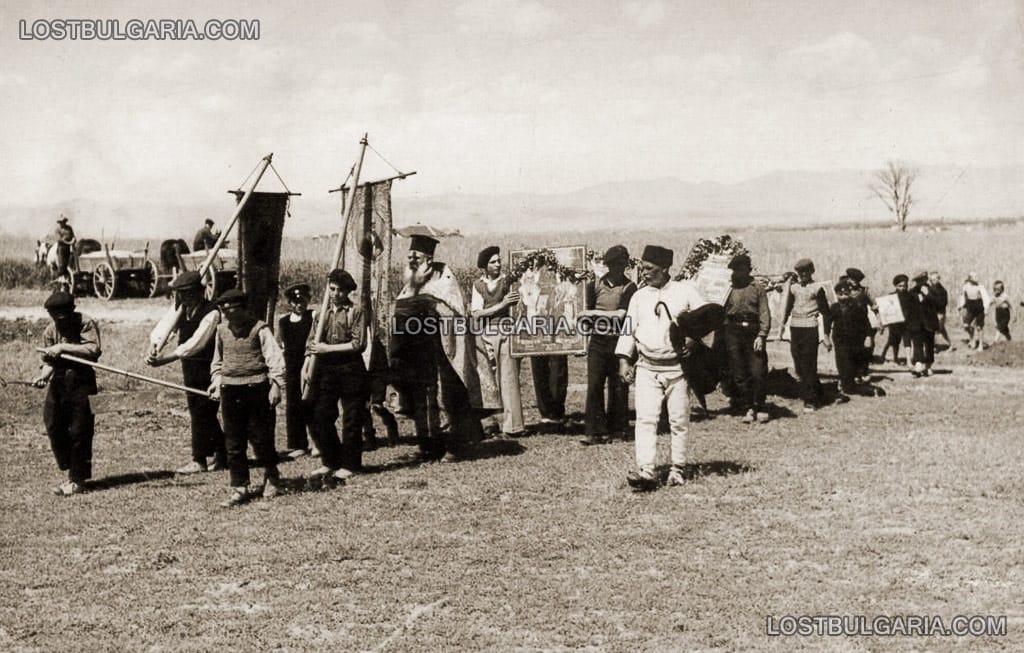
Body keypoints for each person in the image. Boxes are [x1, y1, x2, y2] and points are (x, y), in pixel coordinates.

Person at [615, 245, 707, 491]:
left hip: (677, 370)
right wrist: (625, 360)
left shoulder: (685, 292)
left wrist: (694, 340)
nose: (644, 273)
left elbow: (708, 319)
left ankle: (678, 469)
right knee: (645, 419)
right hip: (646, 367)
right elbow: (628, 330)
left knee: (678, 420)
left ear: (665, 268)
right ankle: (646, 470)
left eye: (649, 269)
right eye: (642, 269)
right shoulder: (639, 296)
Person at [391, 235, 483, 463]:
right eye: (409, 256)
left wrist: (427, 304)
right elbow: (400, 312)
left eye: (417, 257)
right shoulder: (410, 282)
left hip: (443, 351)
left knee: (447, 399)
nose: (412, 260)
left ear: (429, 260)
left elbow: (453, 311)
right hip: (418, 352)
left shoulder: (445, 280)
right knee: (421, 399)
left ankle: (454, 446)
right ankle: (428, 446)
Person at [208, 289, 285, 507]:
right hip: (230, 391)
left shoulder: (260, 329)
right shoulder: (221, 331)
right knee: (233, 441)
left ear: (243, 308)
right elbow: (217, 362)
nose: (228, 315)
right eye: (224, 311)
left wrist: (276, 386)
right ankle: (239, 486)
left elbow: (275, 360)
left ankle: (271, 475)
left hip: (256, 389)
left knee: (261, 438)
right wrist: (216, 383)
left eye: (231, 310)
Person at [146, 271, 228, 474]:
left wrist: (167, 358)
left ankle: (199, 459)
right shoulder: (182, 310)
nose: (186, 298)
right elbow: (165, 329)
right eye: (182, 294)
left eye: (190, 293)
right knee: (198, 410)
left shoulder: (212, 312)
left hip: (208, 366)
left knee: (204, 410)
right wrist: (154, 347)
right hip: (189, 367)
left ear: (200, 292)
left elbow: (196, 343)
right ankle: (223, 453)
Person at [31, 291, 101, 496]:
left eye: (63, 316)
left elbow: (93, 350)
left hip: (82, 381)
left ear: (72, 311)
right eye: (55, 316)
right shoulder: (49, 331)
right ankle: (69, 467)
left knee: (80, 430)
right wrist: (43, 377)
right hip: (59, 382)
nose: (59, 321)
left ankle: (77, 479)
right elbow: (48, 363)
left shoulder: (85, 323)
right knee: (53, 424)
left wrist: (62, 347)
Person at [302, 269, 369, 479]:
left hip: (351, 368)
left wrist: (326, 349)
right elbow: (312, 342)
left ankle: (350, 465)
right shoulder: (320, 314)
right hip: (326, 369)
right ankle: (330, 460)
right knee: (320, 415)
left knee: (351, 419)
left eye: (341, 290)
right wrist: (306, 364)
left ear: (348, 291)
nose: (336, 293)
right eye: (332, 289)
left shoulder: (356, 311)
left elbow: (359, 344)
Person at [580, 245, 637, 445]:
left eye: (621, 264)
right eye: (614, 264)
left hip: (619, 341)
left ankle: (619, 429)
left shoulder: (630, 288)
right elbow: (583, 312)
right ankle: (595, 431)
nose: (617, 268)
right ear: (608, 265)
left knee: (619, 386)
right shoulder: (595, 285)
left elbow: (621, 315)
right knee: (594, 385)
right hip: (598, 341)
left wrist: (593, 314)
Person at [470, 245, 525, 438]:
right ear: (484, 266)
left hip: (506, 331)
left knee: (508, 377)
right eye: (493, 261)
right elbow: (476, 313)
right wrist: (501, 305)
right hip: (486, 333)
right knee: (487, 379)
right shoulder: (478, 285)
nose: (498, 264)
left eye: (499, 260)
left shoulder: (508, 281)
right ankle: (489, 423)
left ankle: (513, 426)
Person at [721, 253, 771, 423]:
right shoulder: (728, 288)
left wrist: (762, 335)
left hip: (753, 330)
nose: (737, 273)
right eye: (735, 270)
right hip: (733, 331)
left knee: (758, 370)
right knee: (738, 370)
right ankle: (748, 406)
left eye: (741, 270)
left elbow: (764, 312)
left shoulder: (757, 288)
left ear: (748, 270)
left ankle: (760, 406)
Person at [779, 258, 832, 412]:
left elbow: (826, 314)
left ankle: (810, 400)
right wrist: (781, 328)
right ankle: (819, 392)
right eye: (800, 272)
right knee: (799, 364)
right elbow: (786, 309)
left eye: (805, 271)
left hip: (810, 329)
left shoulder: (817, 288)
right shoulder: (793, 288)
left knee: (809, 363)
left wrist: (826, 335)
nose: (802, 275)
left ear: (811, 272)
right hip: (795, 328)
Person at [276, 283, 316, 458]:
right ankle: (298, 444)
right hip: (292, 366)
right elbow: (279, 344)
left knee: (312, 403)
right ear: (290, 303)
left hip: (309, 364)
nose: (300, 305)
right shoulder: (283, 322)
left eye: (303, 301)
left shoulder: (313, 316)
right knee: (293, 405)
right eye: (296, 301)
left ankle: (317, 442)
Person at [828, 280, 872, 398]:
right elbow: (827, 322)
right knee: (842, 361)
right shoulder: (834, 308)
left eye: (846, 294)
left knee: (853, 360)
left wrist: (868, 336)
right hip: (839, 339)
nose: (843, 297)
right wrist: (826, 337)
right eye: (840, 294)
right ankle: (845, 383)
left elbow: (865, 322)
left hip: (854, 339)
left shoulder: (856, 306)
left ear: (850, 293)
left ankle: (850, 383)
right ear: (836, 294)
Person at [844, 268, 878, 382]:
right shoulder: (844, 291)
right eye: (851, 278)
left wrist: (880, 321)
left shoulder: (865, 291)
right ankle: (853, 374)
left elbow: (874, 306)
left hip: (863, 325)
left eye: (856, 279)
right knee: (851, 350)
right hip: (848, 326)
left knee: (865, 349)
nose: (853, 281)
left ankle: (863, 372)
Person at [880, 275, 912, 366]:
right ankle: (888, 355)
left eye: (904, 286)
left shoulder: (910, 296)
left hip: (906, 323)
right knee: (893, 341)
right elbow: (886, 311)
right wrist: (884, 323)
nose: (902, 288)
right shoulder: (891, 296)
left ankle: (909, 361)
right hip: (895, 323)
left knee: (907, 340)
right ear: (896, 286)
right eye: (900, 286)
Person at [957, 272, 990, 351]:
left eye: (977, 276)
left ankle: (981, 345)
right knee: (966, 325)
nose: (977, 277)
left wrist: (986, 309)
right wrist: (960, 306)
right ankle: (972, 339)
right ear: (970, 278)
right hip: (970, 308)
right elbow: (962, 297)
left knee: (979, 327)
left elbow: (986, 298)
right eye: (975, 276)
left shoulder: (980, 287)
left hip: (979, 308)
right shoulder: (966, 287)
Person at [928, 271, 952, 348]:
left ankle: (933, 347)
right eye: (932, 280)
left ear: (938, 279)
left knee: (935, 330)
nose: (933, 281)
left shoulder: (942, 291)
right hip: (933, 313)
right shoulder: (930, 289)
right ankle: (950, 344)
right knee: (942, 330)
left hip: (939, 313)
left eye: (935, 279)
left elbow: (942, 303)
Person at [53, 216, 76, 283]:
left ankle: (70, 274)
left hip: (69, 247)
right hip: (62, 248)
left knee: (72, 260)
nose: (62, 223)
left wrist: (73, 239)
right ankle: (61, 277)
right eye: (61, 222)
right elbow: (60, 240)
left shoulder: (69, 228)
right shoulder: (57, 230)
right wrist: (69, 242)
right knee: (62, 264)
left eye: (63, 222)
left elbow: (73, 236)